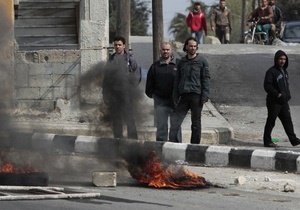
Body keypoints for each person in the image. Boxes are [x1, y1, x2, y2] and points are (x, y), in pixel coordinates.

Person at [169, 37, 210, 144]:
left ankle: (194, 147)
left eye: (194, 46)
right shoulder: (182, 62)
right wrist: (175, 96)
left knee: (196, 124)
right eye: (190, 46)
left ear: (197, 47)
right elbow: (177, 80)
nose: (192, 48)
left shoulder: (202, 61)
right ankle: (173, 145)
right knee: (175, 121)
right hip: (184, 96)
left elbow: (206, 79)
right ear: (186, 47)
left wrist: (205, 96)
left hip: (197, 97)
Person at [102, 36, 141, 139]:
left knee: (129, 118)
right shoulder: (111, 60)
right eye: (115, 45)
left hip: (127, 94)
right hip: (114, 95)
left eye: (120, 45)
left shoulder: (130, 59)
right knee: (116, 118)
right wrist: (105, 94)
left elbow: (137, 76)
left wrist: (129, 89)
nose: (117, 47)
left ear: (124, 46)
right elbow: (106, 79)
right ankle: (118, 140)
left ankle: (133, 141)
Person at [145, 42, 182, 142]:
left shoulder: (179, 64)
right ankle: (161, 149)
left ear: (171, 50)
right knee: (161, 127)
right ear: (160, 51)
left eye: (167, 49)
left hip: (176, 101)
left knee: (176, 127)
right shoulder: (155, 66)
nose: (165, 51)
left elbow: (184, 81)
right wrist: (154, 96)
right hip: (160, 102)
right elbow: (149, 85)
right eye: (163, 49)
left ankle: (177, 148)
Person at [263, 50, 300, 147]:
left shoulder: (284, 71)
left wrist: (287, 95)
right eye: (280, 59)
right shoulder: (271, 72)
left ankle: (294, 140)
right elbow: (267, 86)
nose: (282, 61)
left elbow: (286, 85)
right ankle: (267, 141)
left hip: (283, 101)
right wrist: (277, 94)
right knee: (271, 121)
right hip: (274, 102)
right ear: (276, 59)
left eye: (284, 59)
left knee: (288, 121)